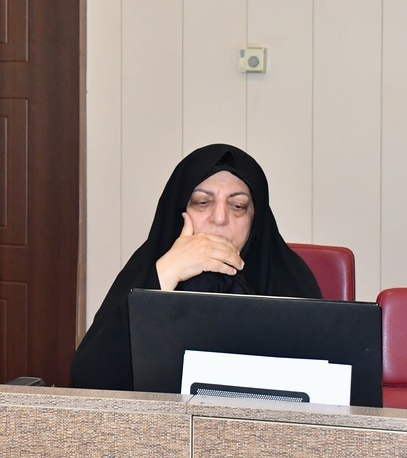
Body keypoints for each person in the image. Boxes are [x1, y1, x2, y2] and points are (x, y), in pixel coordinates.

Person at [70, 143, 321, 390]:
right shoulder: (149, 266)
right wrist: (166, 273)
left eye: (238, 206)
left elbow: (324, 383)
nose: (220, 218)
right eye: (202, 202)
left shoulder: (287, 277)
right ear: (179, 211)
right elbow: (91, 379)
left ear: (255, 220)